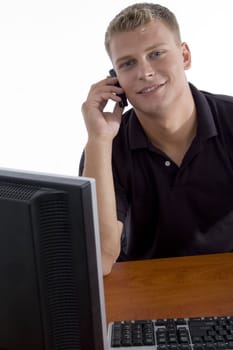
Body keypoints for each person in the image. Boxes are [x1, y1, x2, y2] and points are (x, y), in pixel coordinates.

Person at [79, 2, 233, 276]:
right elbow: (100, 260)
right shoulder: (105, 147)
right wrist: (99, 140)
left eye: (157, 53)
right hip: (145, 296)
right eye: (128, 63)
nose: (144, 72)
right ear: (114, 79)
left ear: (184, 55)